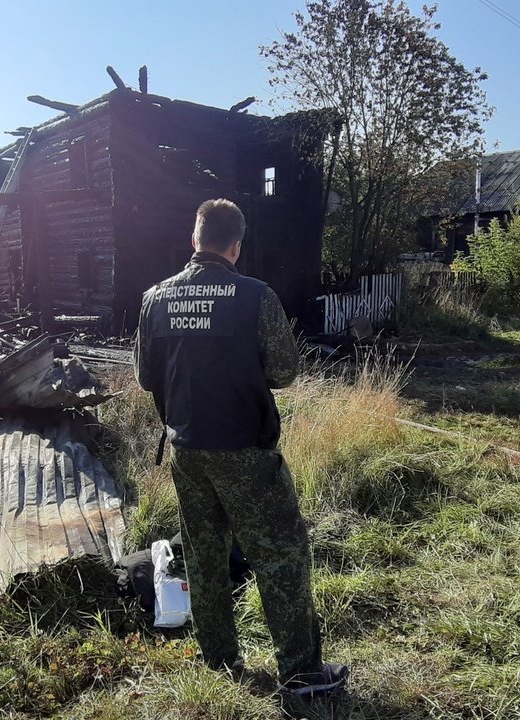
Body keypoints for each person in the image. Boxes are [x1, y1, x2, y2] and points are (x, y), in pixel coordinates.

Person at [134, 198, 348, 698]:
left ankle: (220, 660)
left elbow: (146, 376)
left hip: (186, 448)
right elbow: (285, 371)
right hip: (246, 451)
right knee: (280, 554)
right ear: (236, 245)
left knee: (205, 555)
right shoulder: (254, 296)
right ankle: (302, 674)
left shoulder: (155, 299)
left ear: (195, 240)